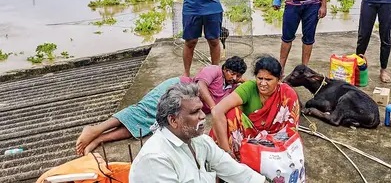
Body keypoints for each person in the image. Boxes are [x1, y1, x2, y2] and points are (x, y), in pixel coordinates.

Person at [75, 56, 247, 155]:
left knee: (147, 126)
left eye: (237, 75)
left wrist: (241, 81)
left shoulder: (231, 87)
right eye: (231, 72)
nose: (233, 77)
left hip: (182, 106)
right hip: (175, 89)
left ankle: (99, 139)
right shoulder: (214, 70)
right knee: (141, 111)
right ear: (224, 68)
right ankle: (95, 129)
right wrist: (213, 106)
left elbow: (248, 87)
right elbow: (201, 86)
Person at [129, 83, 266, 183]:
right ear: (173, 120)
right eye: (195, 112)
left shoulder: (200, 141)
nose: (202, 116)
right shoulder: (155, 158)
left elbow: (235, 171)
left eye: (201, 110)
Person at [211, 56, 300, 159]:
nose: (262, 83)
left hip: (274, 144)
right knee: (230, 113)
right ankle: (232, 158)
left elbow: (290, 129)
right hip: (247, 139)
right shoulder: (250, 87)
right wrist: (226, 151)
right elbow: (217, 111)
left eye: (268, 79)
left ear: (279, 80)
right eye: (259, 78)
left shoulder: (288, 94)